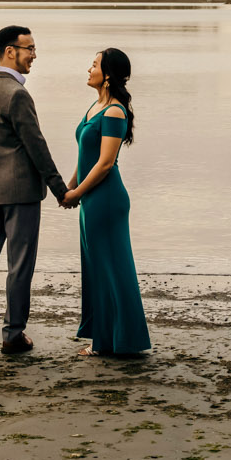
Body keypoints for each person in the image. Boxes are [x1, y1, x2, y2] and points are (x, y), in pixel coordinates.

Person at [0, 24, 68, 355]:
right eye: (29, 48)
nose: (34, 55)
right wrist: (61, 190)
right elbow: (36, 147)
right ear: (10, 51)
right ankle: (12, 335)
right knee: (19, 266)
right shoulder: (17, 94)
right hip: (20, 194)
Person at [67, 47, 150, 357]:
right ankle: (105, 340)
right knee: (97, 269)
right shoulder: (95, 106)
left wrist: (77, 193)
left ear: (108, 74)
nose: (89, 69)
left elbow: (104, 164)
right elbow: (84, 155)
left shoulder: (114, 111)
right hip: (92, 196)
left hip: (106, 199)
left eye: (94, 65)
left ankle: (121, 340)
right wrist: (71, 184)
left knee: (112, 269)